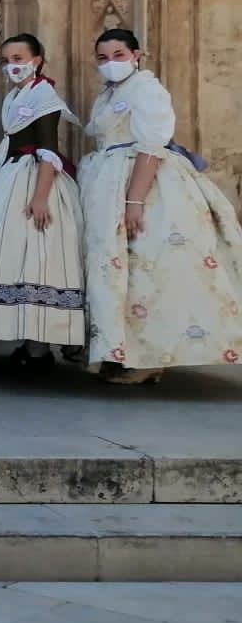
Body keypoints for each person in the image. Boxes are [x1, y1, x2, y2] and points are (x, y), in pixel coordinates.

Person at [79, 28, 242, 382]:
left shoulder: (147, 89)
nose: (111, 64)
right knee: (121, 270)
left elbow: (151, 147)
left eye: (119, 55)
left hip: (147, 185)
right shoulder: (108, 95)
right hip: (107, 182)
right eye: (103, 58)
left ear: (137, 56)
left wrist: (134, 200)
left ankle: (150, 358)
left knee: (150, 267)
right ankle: (122, 351)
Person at [0, 34, 86, 365]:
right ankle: (28, 343)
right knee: (11, 255)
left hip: (33, 180)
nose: (12, 66)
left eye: (18, 58)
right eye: (7, 60)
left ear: (37, 59)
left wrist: (41, 197)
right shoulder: (17, 95)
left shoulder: (44, 95)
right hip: (10, 174)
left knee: (37, 258)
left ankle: (39, 345)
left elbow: (48, 151)